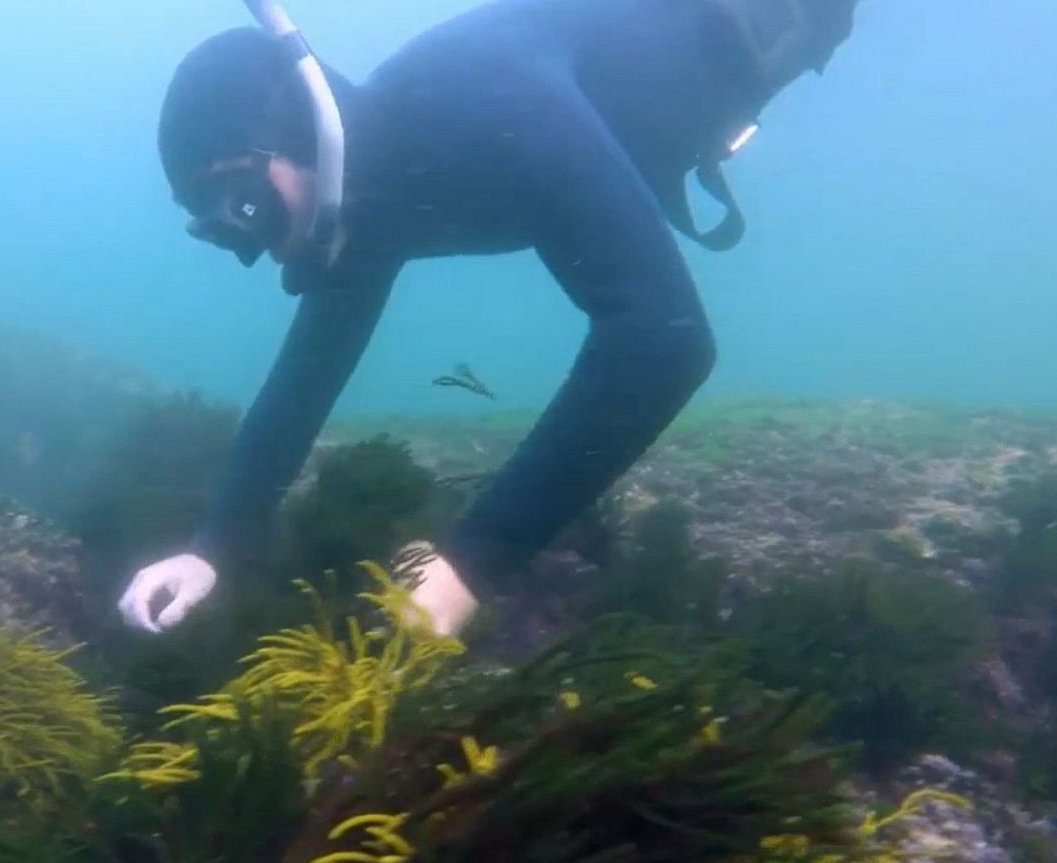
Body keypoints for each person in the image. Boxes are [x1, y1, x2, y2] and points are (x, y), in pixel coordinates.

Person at [118, 0, 859, 637]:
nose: (252, 246)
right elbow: (308, 372)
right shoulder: (373, 195)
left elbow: (664, 343)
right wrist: (212, 548)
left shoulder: (483, 99)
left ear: (296, 129)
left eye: (241, 206)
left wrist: (474, 561)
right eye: (219, 232)